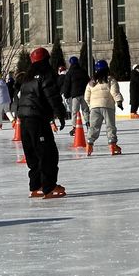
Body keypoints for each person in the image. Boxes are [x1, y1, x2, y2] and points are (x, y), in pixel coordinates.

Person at [17, 47, 66, 199]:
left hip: (24, 120)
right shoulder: (45, 75)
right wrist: (61, 114)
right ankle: (49, 187)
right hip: (37, 119)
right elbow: (52, 96)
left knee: (32, 153)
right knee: (47, 153)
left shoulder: (27, 77)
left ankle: (36, 185)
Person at [84, 60, 124, 157]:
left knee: (94, 127)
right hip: (107, 106)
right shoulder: (110, 80)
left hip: (94, 107)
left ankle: (89, 144)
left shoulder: (91, 82)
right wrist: (119, 101)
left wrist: (91, 105)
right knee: (110, 126)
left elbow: (86, 96)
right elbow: (115, 92)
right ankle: (112, 144)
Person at [63, 56, 90, 136]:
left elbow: (67, 85)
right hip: (84, 94)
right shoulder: (83, 71)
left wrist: (66, 94)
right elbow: (88, 82)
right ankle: (88, 124)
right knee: (85, 110)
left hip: (75, 95)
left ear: (71, 63)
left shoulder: (70, 73)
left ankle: (75, 128)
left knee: (75, 112)